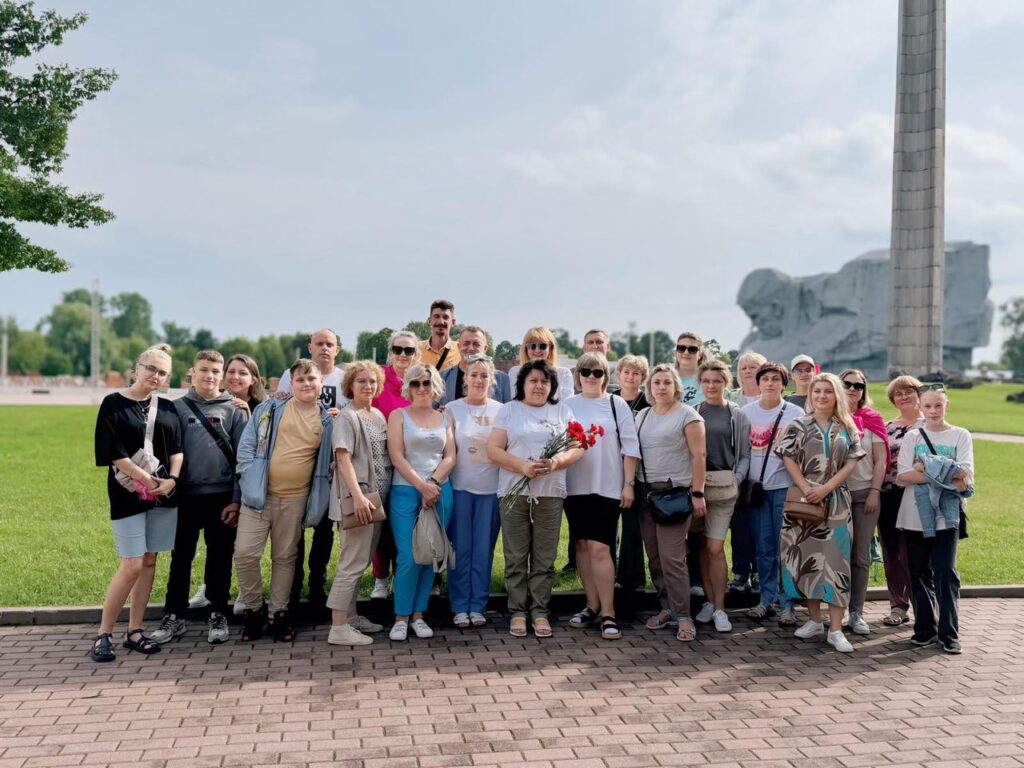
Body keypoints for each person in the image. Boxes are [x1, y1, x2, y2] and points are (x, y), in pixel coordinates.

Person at [150, 350, 248, 646]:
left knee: (220, 558)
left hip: (222, 497)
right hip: (185, 497)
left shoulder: (234, 409)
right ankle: (174, 615)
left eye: (216, 371)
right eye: (204, 369)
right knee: (181, 557)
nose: (210, 376)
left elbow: (243, 459)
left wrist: (236, 499)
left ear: (222, 375)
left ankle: (218, 612)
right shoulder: (176, 407)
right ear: (192, 371)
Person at [91, 344, 183, 661]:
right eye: (151, 368)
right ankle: (103, 633)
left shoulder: (168, 408)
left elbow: (177, 450)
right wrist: (145, 479)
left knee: (149, 561)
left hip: (162, 493)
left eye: (162, 372)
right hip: (127, 492)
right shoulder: (113, 404)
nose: (155, 375)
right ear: (136, 368)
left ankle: (135, 631)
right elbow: (111, 452)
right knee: (131, 564)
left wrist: (172, 480)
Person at [234, 359, 334, 643]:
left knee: (285, 557)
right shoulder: (270, 409)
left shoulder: (327, 421)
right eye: (300, 379)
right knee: (244, 554)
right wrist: (248, 477)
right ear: (291, 383)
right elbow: (247, 446)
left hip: (295, 499)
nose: (306, 384)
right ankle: (253, 610)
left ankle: (278, 614)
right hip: (258, 496)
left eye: (311, 379)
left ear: (321, 382)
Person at [487, 360, 584, 638]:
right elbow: (493, 450)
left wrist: (556, 462)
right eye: (533, 380)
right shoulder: (508, 410)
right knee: (516, 556)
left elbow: (578, 447)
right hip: (513, 492)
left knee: (544, 557)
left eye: (545, 381)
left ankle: (540, 611)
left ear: (552, 386)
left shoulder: (562, 410)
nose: (539, 386)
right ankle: (517, 611)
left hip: (550, 493)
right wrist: (522, 467)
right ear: (523, 384)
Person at [776, 373, 865, 653]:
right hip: (803, 503)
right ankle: (815, 620)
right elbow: (787, 456)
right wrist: (806, 487)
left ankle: (835, 630)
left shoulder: (846, 426)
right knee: (806, 560)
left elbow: (852, 462)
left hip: (836, 503)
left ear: (836, 395)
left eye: (828, 391)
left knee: (837, 563)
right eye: (817, 391)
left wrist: (826, 488)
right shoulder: (797, 424)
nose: (822, 396)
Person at [564, 353, 640, 640]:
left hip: (607, 486)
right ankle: (591, 605)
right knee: (582, 546)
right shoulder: (567, 405)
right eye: (586, 371)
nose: (591, 377)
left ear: (606, 376)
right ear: (578, 374)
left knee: (600, 548)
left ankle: (609, 612)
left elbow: (630, 447)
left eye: (597, 372)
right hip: (574, 486)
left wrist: (628, 484)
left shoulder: (616, 404)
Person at [896, 384, 973, 654]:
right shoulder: (912, 437)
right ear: (920, 407)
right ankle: (925, 629)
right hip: (913, 515)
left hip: (946, 516)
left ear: (946, 405)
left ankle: (949, 632)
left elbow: (964, 477)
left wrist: (925, 466)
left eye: (938, 405)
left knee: (945, 572)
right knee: (918, 573)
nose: (933, 410)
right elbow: (903, 476)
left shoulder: (960, 435)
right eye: (927, 406)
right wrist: (945, 470)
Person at [189, 353, 267, 614]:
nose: (235, 377)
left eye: (243, 373)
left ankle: (246, 590)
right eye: (231, 371)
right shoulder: (216, 404)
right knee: (221, 543)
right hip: (225, 484)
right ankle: (209, 587)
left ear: (254, 379)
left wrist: (249, 414)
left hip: (253, 483)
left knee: (247, 543)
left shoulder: (262, 408)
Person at [634, 364, 707, 643]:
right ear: (649, 387)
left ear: (676, 386)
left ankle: (684, 615)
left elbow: (699, 456)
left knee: (672, 557)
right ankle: (667, 607)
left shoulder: (688, 415)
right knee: (654, 556)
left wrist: (698, 493)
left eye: (667, 382)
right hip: (646, 494)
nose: (661, 387)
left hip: (674, 494)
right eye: (657, 382)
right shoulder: (642, 416)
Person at [277, 329, 348, 614]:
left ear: (337, 349)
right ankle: (293, 588)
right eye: (319, 343)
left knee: (324, 529)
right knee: (294, 531)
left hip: (330, 466)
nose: (324, 348)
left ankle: (318, 584)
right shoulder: (290, 374)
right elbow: (282, 408)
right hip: (298, 462)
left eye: (330, 344)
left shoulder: (344, 378)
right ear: (310, 347)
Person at [386, 364, 456, 641]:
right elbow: (397, 456)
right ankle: (401, 617)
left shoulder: (445, 417)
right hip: (406, 489)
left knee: (430, 552)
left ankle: (418, 615)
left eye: (427, 383)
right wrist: (421, 486)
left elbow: (450, 456)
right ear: (408, 387)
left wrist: (434, 483)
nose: (422, 388)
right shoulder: (398, 416)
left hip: (440, 490)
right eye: (416, 383)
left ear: (435, 385)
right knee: (408, 555)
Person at [326, 361, 391, 646]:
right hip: (361, 500)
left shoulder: (377, 415)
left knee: (361, 560)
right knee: (352, 562)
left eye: (372, 381)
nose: (368, 386)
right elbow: (343, 458)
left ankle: (351, 617)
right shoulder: (347, 416)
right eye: (361, 381)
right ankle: (338, 627)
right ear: (350, 385)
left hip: (377, 500)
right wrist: (358, 497)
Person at [742, 362, 804, 625]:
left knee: (786, 547)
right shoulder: (745, 413)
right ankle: (766, 599)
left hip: (784, 487)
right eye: (765, 378)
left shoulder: (795, 413)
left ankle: (787, 602)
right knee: (764, 547)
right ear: (758, 383)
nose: (770, 383)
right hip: (756, 490)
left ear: (784, 384)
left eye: (776, 379)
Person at [446, 354, 504, 628]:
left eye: (484, 375)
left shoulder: (503, 410)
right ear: (465, 379)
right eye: (474, 375)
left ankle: (478, 605)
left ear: (492, 380)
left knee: (483, 550)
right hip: (460, 488)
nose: (478, 380)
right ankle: (459, 606)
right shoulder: (451, 409)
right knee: (460, 550)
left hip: (491, 490)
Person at [693, 360, 751, 633]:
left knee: (715, 548)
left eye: (717, 381)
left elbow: (745, 454)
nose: (711, 386)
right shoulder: (693, 412)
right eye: (706, 381)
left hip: (725, 488)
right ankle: (708, 600)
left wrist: (737, 480)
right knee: (701, 548)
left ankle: (720, 608)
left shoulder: (736, 414)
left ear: (726, 383)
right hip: (697, 489)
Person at [369, 330, 421, 599]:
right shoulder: (378, 377)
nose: (403, 355)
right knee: (382, 524)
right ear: (390, 352)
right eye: (398, 349)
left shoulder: (420, 380)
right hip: (380, 462)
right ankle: (380, 578)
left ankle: (405, 577)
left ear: (416, 354)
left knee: (407, 527)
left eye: (409, 350)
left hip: (412, 465)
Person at [839, 368, 890, 636]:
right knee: (836, 553)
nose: (852, 389)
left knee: (860, 555)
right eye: (847, 384)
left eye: (858, 386)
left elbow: (881, 460)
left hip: (864, 494)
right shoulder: (831, 417)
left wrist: (874, 491)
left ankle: (856, 611)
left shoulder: (871, 419)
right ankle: (835, 609)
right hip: (836, 495)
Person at [877, 374, 922, 627]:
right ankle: (898, 605)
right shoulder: (886, 426)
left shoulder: (929, 425)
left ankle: (923, 606)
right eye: (898, 393)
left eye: (909, 391)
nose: (904, 396)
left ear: (919, 395)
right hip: (888, 495)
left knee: (915, 552)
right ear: (893, 399)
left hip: (917, 495)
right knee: (892, 550)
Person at [727, 350, 767, 594]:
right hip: (736, 472)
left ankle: (760, 572)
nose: (749, 371)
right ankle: (741, 572)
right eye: (744, 367)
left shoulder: (771, 397)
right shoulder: (730, 399)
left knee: (761, 528)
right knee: (739, 526)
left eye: (754, 367)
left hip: (764, 472)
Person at [612, 354, 651, 608]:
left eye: (636, 373)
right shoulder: (610, 399)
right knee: (608, 526)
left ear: (642, 377)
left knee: (632, 526)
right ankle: (607, 571)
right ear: (619, 373)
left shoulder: (648, 401)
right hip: (610, 467)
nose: (630, 376)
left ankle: (632, 577)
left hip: (637, 470)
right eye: (626, 372)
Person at [439, 326, 512, 405]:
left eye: (476, 344)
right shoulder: (442, 378)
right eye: (466, 343)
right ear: (458, 347)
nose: (471, 348)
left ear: (485, 349)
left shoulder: (503, 380)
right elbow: (432, 408)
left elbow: (509, 410)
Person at [506, 326, 574, 404]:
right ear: (525, 348)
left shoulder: (563, 374)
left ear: (550, 348)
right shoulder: (515, 372)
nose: (537, 350)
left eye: (542, 346)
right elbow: (516, 401)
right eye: (532, 346)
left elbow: (567, 404)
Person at [419, 299, 461, 371]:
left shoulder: (461, 350)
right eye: (436, 316)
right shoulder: (416, 349)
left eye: (445, 317)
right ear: (429, 320)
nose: (441, 322)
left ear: (453, 322)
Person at [672, 331, 709, 407]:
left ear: (700, 354)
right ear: (676, 352)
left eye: (692, 349)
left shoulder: (710, 378)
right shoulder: (666, 377)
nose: (686, 352)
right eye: (681, 348)